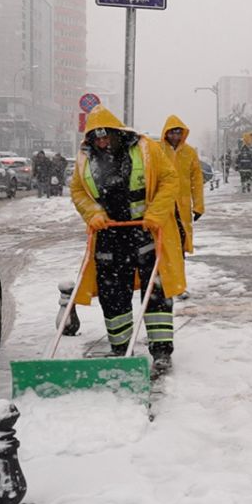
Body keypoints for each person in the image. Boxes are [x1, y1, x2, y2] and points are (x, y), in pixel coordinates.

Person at [69, 105, 185, 375]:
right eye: (96, 138)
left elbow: (170, 180)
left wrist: (155, 213)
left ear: (117, 133)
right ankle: (120, 348)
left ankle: (161, 350)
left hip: (145, 233)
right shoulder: (86, 159)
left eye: (106, 137)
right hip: (108, 236)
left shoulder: (146, 149)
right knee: (113, 293)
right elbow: (77, 190)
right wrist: (93, 213)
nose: (101, 143)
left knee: (155, 291)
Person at [156, 115, 205, 257]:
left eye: (178, 132)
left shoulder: (189, 153)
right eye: (172, 132)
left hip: (182, 205)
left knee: (180, 237)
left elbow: (196, 180)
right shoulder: (158, 150)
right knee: (162, 239)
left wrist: (198, 206)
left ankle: (179, 265)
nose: (175, 136)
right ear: (166, 133)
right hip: (162, 203)